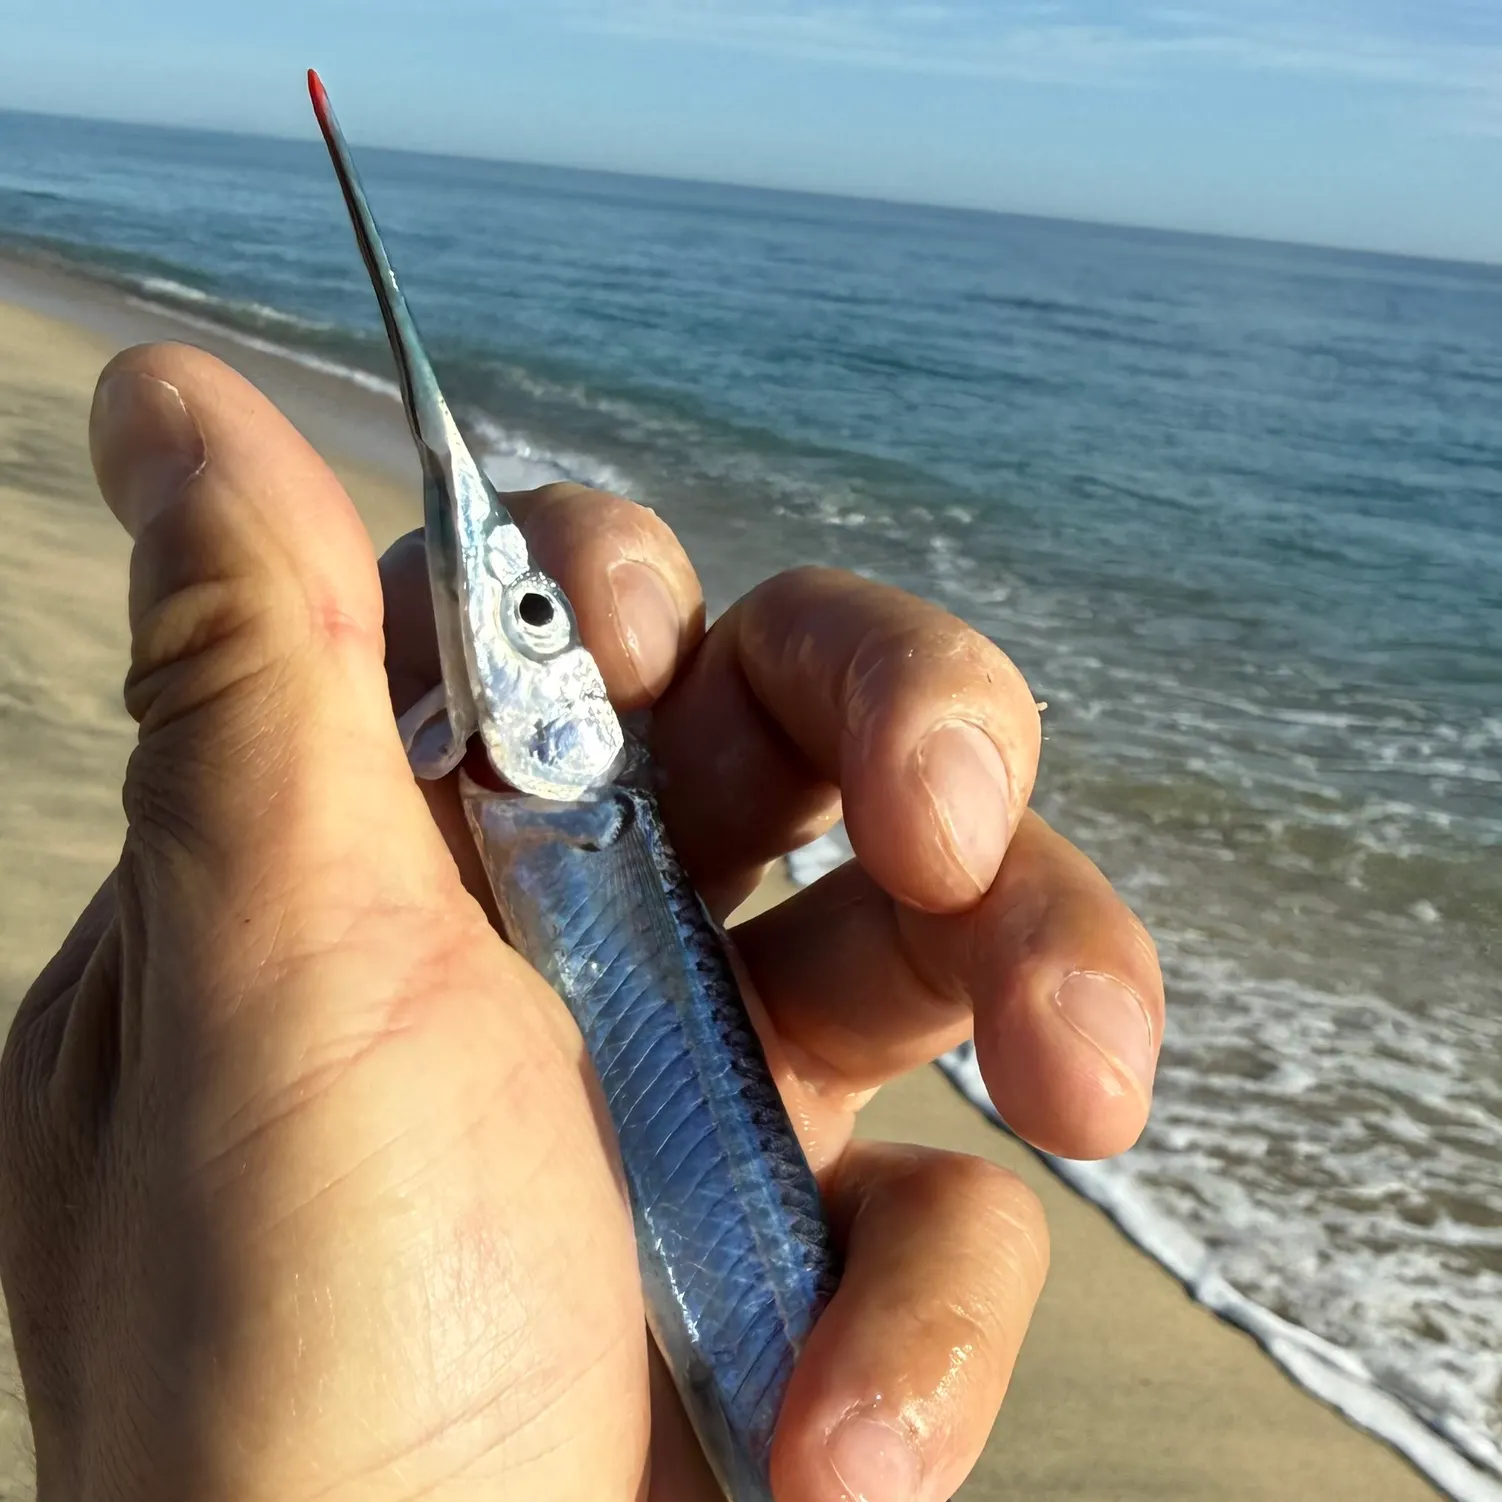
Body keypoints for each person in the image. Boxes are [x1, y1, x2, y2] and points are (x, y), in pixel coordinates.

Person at [0, 343, 1165, 1502]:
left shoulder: (574, 822)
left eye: (530, 614)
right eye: (534, 612)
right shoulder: (463, 844)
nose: (505, 621)